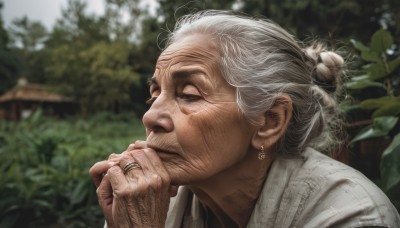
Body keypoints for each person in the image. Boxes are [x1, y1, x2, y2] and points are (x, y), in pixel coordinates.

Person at [89, 10, 400, 227]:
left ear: (268, 122)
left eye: (189, 93)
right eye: (155, 94)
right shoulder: (150, 200)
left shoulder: (351, 216)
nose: (151, 116)